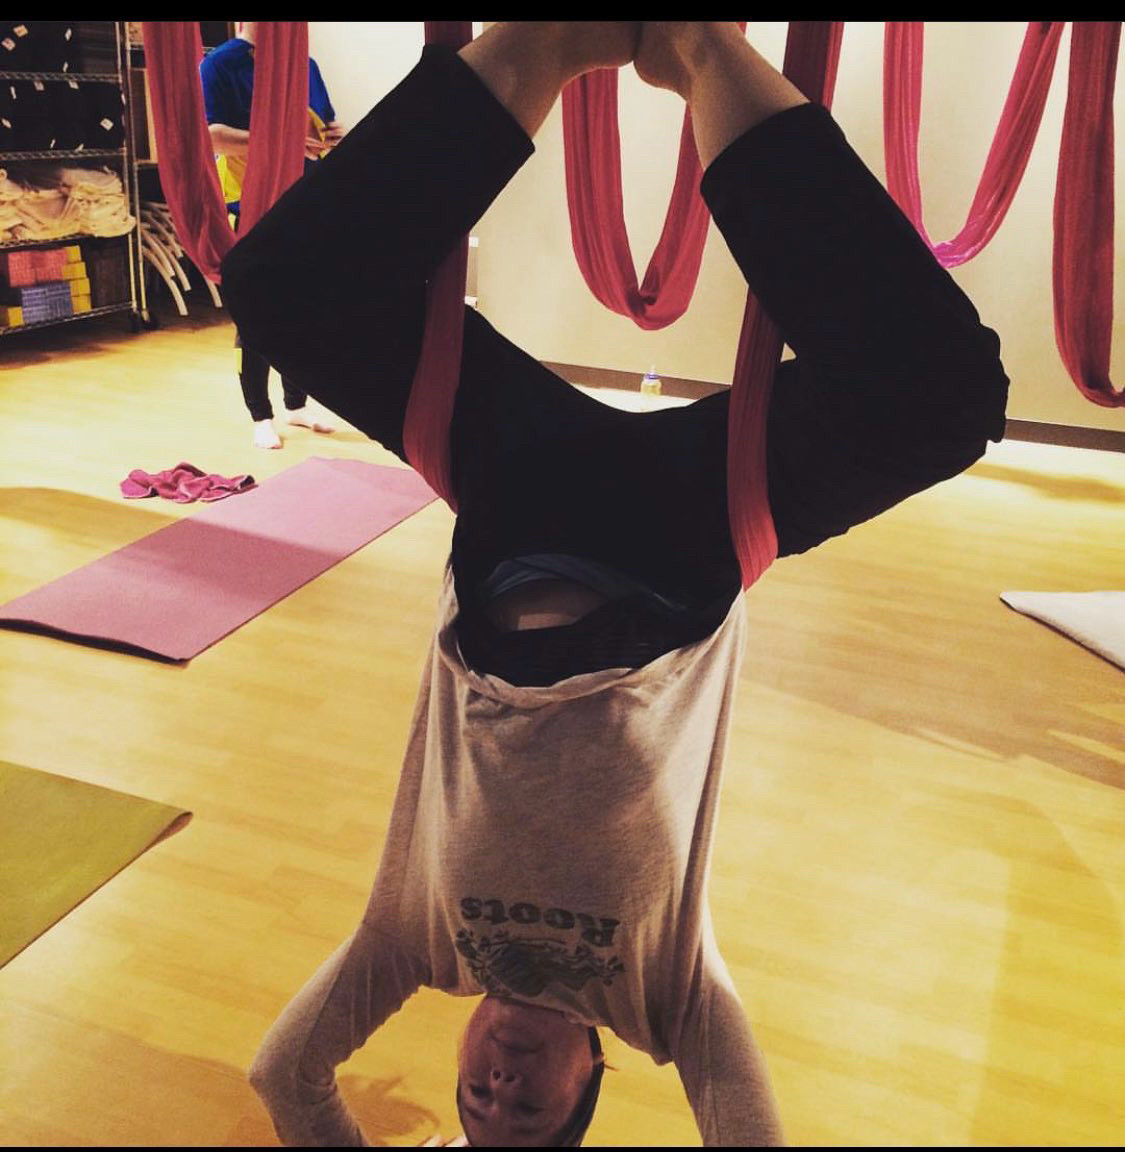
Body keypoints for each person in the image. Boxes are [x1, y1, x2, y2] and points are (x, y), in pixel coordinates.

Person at [220, 22, 1010, 1147]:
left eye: (475, 1100)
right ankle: (703, 52)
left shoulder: (411, 944)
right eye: (529, 1110)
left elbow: (285, 1081)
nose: (499, 1083)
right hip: (685, 553)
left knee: (279, 288)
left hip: (512, 515)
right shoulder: (670, 998)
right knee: (945, 401)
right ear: (591, 1074)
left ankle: (543, 46)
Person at [201, 20, 342, 449]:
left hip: (302, 199)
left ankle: (296, 405)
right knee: (255, 310)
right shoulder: (219, 65)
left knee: (301, 305)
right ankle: (259, 413)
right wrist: (281, 142)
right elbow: (213, 137)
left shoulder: (306, 65)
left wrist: (332, 136)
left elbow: (322, 123)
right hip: (248, 202)